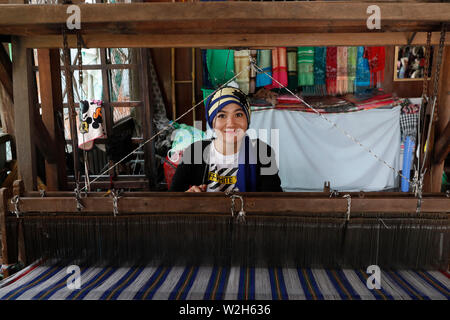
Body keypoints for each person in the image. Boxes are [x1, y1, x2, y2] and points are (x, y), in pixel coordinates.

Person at [169, 86, 282, 192]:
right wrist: (187, 196)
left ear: (247, 120)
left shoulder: (262, 152)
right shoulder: (195, 152)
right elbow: (172, 199)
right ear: (212, 122)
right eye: (222, 116)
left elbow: (274, 201)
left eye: (238, 115)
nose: (231, 124)